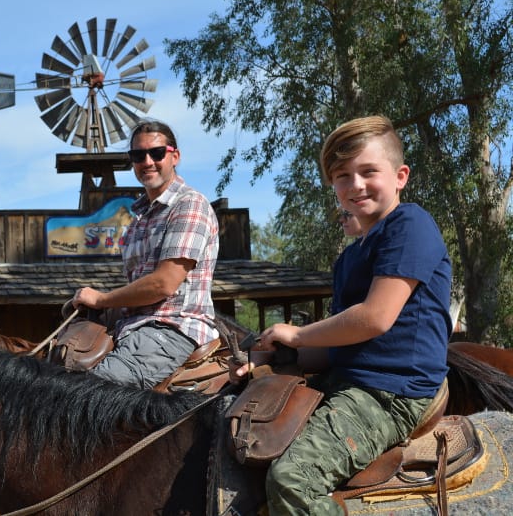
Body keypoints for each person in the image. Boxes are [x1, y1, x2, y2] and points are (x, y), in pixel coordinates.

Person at [231, 115, 452, 515]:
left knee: (292, 481)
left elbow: (375, 318)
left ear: (400, 176)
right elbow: (336, 344)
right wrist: (276, 359)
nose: (356, 184)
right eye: (342, 176)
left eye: (368, 171)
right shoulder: (350, 256)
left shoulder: (410, 225)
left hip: (392, 391)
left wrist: (297, 334)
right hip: (348, 378)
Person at [72, 119, 220, 389]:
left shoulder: (189, 204)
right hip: (133, 328)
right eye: (138, 155)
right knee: (59, 369)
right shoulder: (137, 221)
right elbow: (137, 294)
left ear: (174, 156)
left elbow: (164, 283)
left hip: (173, 329)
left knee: (89, 393)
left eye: (157, 153)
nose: (148, 161)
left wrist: (102, 299)